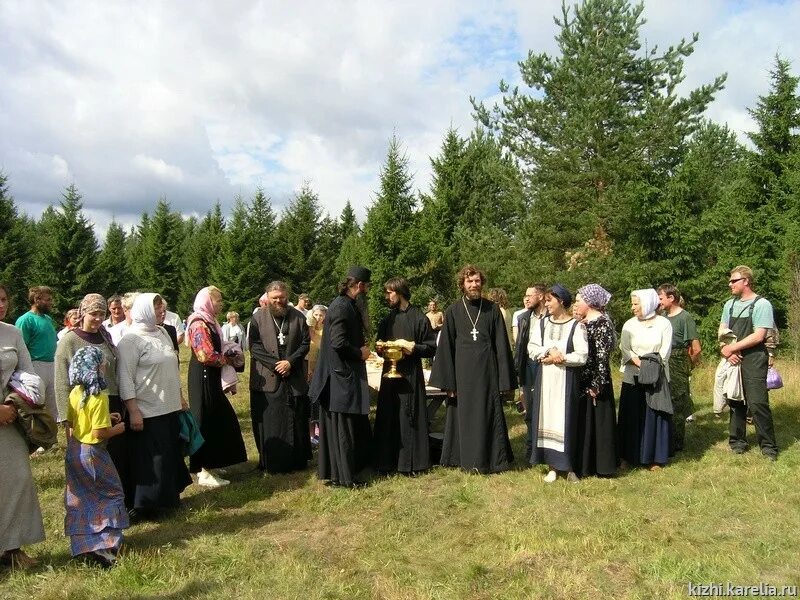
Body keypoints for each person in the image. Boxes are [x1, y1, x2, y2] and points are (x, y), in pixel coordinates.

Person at [429, 265, 515, 474]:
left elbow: (501, 345)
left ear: (481, 283)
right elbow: (446, 348)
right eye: (470, 281)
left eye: (477, 281)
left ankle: (492, 460)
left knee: (488, 413)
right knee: (463, 416)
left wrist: (505, 381)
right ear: (462, 284)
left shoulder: (492, 309)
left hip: (487, 373)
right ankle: (463, 459)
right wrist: (448, 383)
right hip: (462, 374)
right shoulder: (453, 311)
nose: (474, 285)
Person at [116, 293, 191, 515]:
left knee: (169, 454)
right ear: (145, 311)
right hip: (147, 409)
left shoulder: (162, 333)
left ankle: (169, 498)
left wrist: (179, 396)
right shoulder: (130, 340)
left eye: (162, 308)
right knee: (152, 460)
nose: (161, 312)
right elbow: (125, 377)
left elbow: (172, 367)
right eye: (157, 308)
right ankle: (148, 505)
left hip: (169, 406)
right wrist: (133, 410)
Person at [55, 294, 134, 506]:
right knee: (92, 459)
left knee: (116, 456)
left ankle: (121, 504)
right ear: (82, 313)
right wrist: (68, 420)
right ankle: (96, 507)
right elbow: (62, 382)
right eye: (93, 313)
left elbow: (114, 370)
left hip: (110, 401)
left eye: (101, 313)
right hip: (85, 406)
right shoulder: (69, 341)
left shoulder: (105, 336)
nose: (98, 318)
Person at [64, 345, 128, 567]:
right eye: (102, 363)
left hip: (75, 449)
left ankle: (83, 545)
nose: (104, 366)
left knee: (81, 499)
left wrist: (104, 417)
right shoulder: (99, 395)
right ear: (96, 367)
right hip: (94, 452)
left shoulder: (76, 392)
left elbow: (73, 423)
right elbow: (98, 433)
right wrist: (118, 429)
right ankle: (105, 546)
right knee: (110, 494)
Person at [309, 266, 373, 487]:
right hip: (339, 378)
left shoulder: (346, 305)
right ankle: (345, 478)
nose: (366, 292)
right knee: (342, 430)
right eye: (366, 287)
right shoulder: (341, 307)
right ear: (359, 285)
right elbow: (338, 343)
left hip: (341, 376)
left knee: (343, 428)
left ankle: (343, 473)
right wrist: (360, 353)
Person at [0, 283, 46, 570]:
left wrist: (13, 404)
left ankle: (12, 549)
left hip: (10, 418)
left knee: (17, 481)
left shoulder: (12, 333)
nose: (0, 304)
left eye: (3, 299)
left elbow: (28, 374)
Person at [373, 278, 438, 474]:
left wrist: (413, 348)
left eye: (389, 292)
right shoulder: (387, 320)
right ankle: (386, 462)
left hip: (410, 374)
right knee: (388, 415)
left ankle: (412, 463)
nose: (387, 296)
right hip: (389, 374)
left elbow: (431, 348)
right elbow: (379, 345)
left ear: (400, 292)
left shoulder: (419, 318)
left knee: (409, 416)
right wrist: (380, 348)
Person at [186, 286, 247, 487]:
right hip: (202, 376)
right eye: (218, 300)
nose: (221, 304)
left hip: (210, 377)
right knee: (205, 419)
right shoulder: (198, 323)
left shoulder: (209, 322)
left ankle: (213, 462)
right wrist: (227, 360)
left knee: (219, 418)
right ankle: (203, 469)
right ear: (207, 302)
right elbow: (204, 354)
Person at [527, 285, 588, 482]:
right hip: (545, 380)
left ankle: (568, 466)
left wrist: (560, 358)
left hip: (566, 380)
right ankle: (552, 466)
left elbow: (582, 356)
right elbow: (532, 347)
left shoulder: (576, 326)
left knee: (566, 419)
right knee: (546, 418)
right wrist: (547, 353)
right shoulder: (542, 324)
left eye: (549, 300)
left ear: (561, 301)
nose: (546, 303)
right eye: (545, 300)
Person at [249, 281, 312, 474]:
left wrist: (290, 362)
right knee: (272, 419)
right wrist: (276, 364)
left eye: (282, 298)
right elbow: (254, 346)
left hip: (293, 375)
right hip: (269, 377)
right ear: (267, 298)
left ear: (287, 297)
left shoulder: (299, 317)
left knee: (297, 418)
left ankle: (297, 460)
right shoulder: (257, 318)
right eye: (274, 298)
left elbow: (305, 343)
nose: (278, 301)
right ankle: (274, 462)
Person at [719, 266, 778, 461]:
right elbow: (722, 331)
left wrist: (733, 349)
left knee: (757, 402)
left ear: (746, 281)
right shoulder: (729, 305)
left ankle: (768, 447)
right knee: (735, 400)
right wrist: (725, 350)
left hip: (754, 357)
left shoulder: (762, 304)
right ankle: (737, 442)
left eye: (733, 281)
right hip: (732, 357)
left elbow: (759, 335)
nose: (730, 284)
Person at [617, 289, 673, 471]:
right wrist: (638, 363)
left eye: (636, 304)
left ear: (647, 303)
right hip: (633, 375)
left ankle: (654, 457)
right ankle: (628, 456)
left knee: (654, 415)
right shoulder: (629, 325)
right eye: (632, 304)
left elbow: (665, 351)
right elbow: (624, 348)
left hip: (656, 375)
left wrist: (650, 366)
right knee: (631, 415)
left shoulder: (664, 323)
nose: (632, 307)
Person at [572, 284, 617, 478]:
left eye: (578, 300)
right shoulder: (583, 322)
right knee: (585, 422)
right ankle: (586, 464)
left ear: (589, 303)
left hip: (596, 381)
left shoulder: (602, 322)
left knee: (599, 423)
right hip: (583, 379)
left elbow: (601, 356)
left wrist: (597, 384)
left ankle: (603, 466)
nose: (575, 304)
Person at [657, 284, 701, 452]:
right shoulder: (662, 317)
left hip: (677, 361)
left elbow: (696, 348)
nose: (658, 301)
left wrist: (688, 364)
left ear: (671, 298)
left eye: (660, 298)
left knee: (677, 402)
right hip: (663, 360)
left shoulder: (685, 317)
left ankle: (676, 444)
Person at [15, 285, 60, 423]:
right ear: (37, 299)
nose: (51, 302)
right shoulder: (26, 320)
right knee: (35, 404)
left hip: (51, 365)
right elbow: (20, 347)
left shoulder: (48, 319)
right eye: (48, 299)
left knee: (53, 405)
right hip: (35, 365)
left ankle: (49, 438)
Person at [306, 304, 327, 443]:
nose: (318, 318)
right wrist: (307, 369)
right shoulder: (307, 330)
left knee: (319, 401)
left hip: (321, 368)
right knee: (309, 401)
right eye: (316, 315)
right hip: (308, 368)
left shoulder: (326, 330)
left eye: (321, 315)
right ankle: (311, 434)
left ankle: (322, 432)